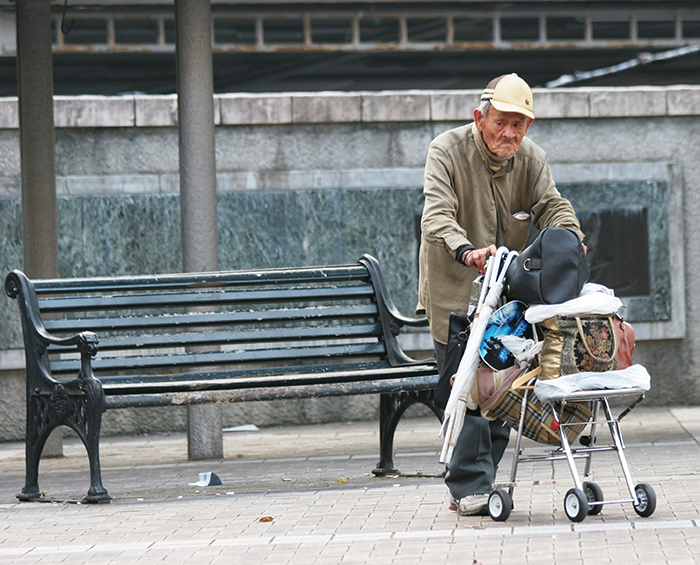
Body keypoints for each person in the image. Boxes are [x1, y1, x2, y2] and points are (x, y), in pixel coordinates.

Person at [417, 73, 585, 516]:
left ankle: (480, 482)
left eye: (520, 124)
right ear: (480, 117)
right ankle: (469, 485)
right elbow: (436, 218)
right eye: (502, 123)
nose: (511, 133)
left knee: (503, 387)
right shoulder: (445, 151)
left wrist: (569, 237)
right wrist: (468, 252)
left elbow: (553, 205)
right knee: (467, 387)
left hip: (507, 296)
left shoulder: (532, 158)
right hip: (455, 292)